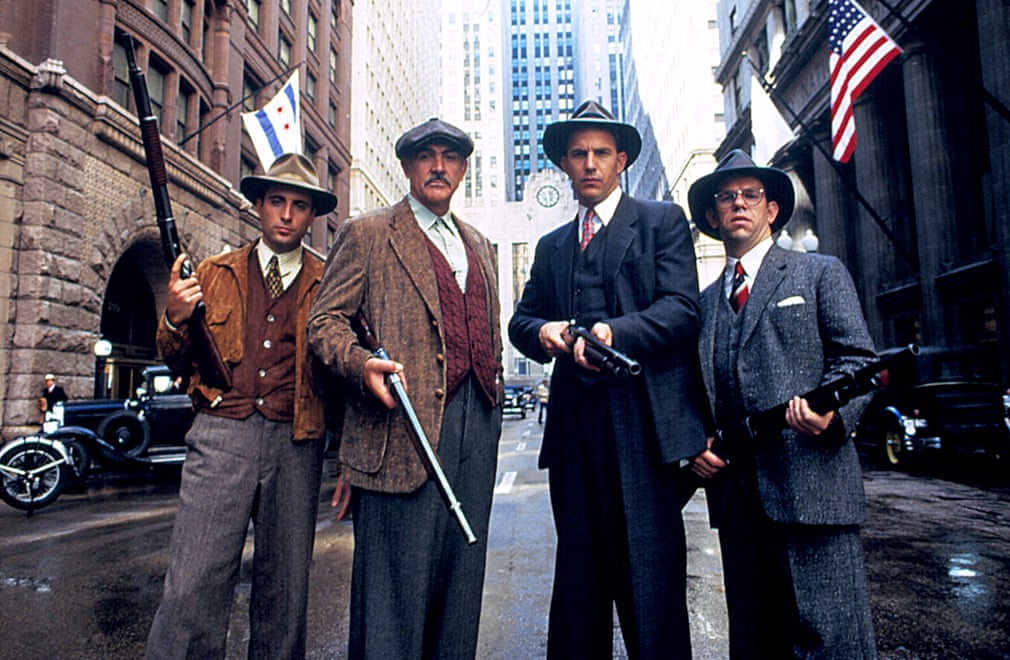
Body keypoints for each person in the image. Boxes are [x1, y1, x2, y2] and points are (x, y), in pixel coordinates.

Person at [508, 100, 708, 658]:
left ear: (621, 160)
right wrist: (545, 331)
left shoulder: (661, 221)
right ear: (564, 164)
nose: (590, 164)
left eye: (601, 153)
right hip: (574, 434)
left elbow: (683, 309)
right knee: (579, 588)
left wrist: (615, 332)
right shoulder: (551, 246)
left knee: (652, 585)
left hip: (643, 428)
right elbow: (520, 322)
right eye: (579, 154)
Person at [307, 118, 503, 659]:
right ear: (407, 166)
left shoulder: (480, 245)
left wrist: (493, 401)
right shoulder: (367, 233)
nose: (438, 166)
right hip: (399, 432)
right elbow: (324, 324)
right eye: (425, 156)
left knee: (460, 591)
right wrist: (363, 364)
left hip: (476, 431)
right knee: (392, 601)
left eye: (450, 157)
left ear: (463, 168)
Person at [688, 150, 878, 659]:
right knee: (756, 645)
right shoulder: (702, 305)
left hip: (813, 491)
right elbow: (694, 392)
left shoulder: (819, 273)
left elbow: (859, 361)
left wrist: (832, 415)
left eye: (751, 195)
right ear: (712, 217)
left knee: (831, 643)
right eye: (726, 197)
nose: (739, 204)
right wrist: (696, 443)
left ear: (772, 210)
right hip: (738, 503)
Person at [146, 153, 336, 659]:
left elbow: (339, 374)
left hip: (297, 442)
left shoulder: (329, 282)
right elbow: (174, 358)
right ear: (258, 205)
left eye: (299, 205)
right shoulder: (214, 272)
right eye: (277, 201)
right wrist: (174, 316)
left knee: (284, 594)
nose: (286, 215)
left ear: (312, 215)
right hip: (220, 435)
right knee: (192, 585)